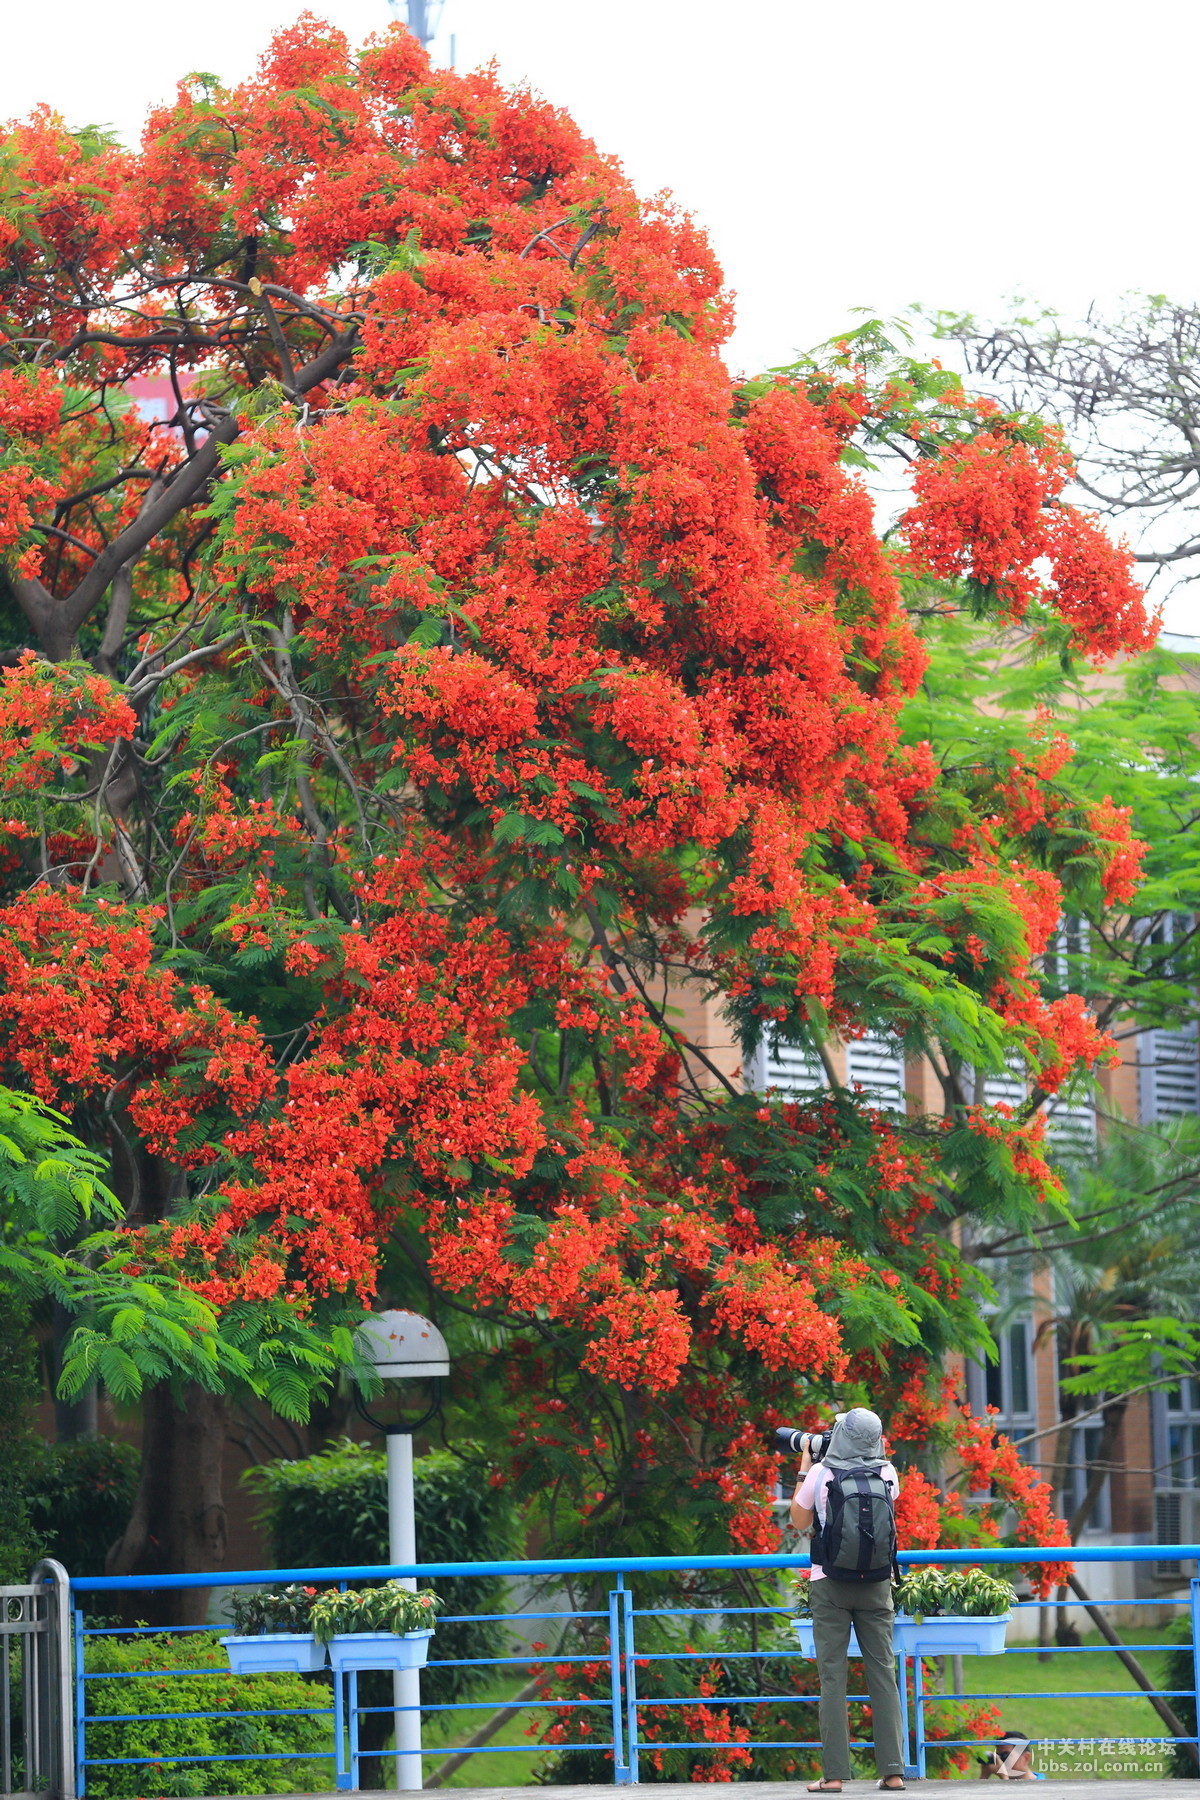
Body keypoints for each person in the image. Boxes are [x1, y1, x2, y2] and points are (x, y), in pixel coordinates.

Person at [790, 1407, 906, 1794]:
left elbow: (799, 1521)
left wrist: (806, 1464)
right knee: (883, 1674)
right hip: (877, 1584)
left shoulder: (823, 1474)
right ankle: (892, 1772)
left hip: (831, 1584)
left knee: (833, 1678)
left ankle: (835, 1776)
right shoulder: (887, 1473)